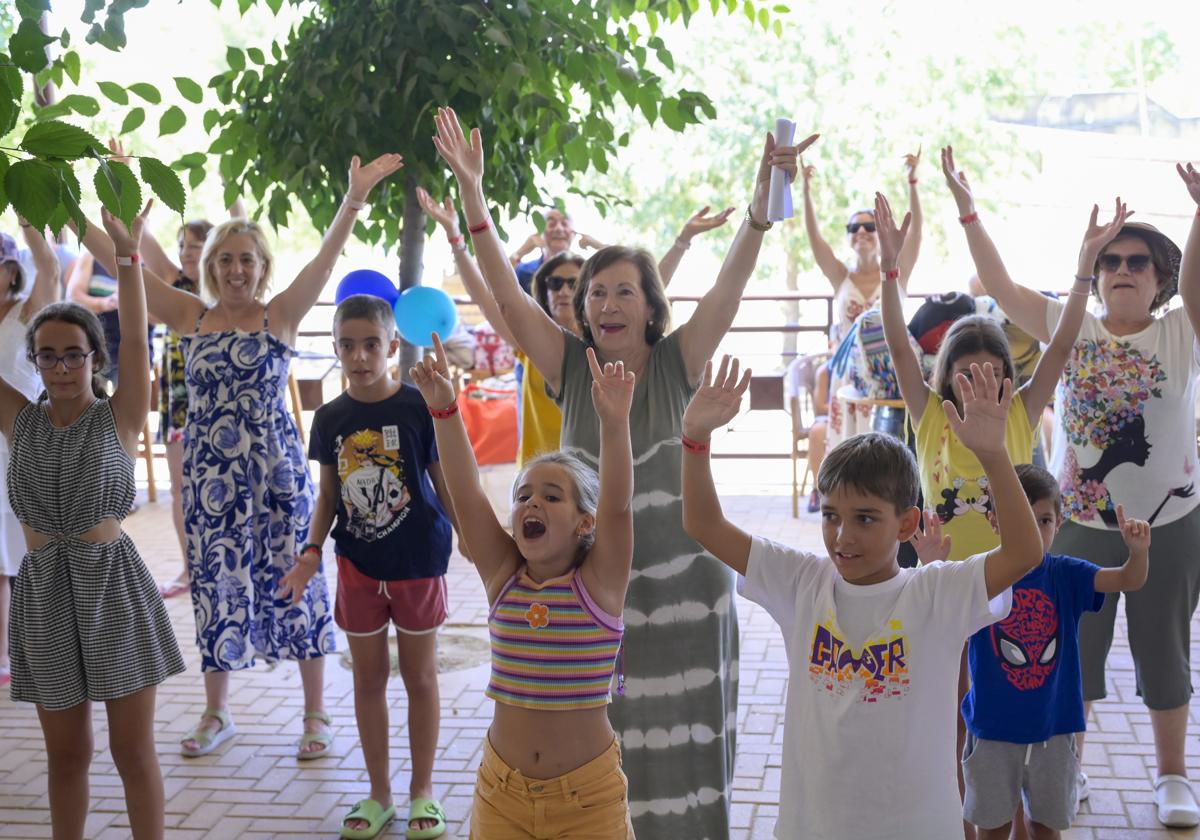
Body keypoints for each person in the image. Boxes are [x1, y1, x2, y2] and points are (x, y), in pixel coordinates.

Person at [432, 103, 815, 836]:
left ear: (650, 309)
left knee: (691, 771)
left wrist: (761, 215)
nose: (604, 301)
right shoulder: (570, 367)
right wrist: (473, 198)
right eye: (594, 292)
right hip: (594, 607)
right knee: (608, 781)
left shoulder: (676, 362)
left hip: (689, 605)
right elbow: (511, 302)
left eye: (623, 291)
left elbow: (730, 291)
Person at [84, 153, 401, 758]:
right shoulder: (189, 314)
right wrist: (68, 204)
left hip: (278, 473)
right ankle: (217, 712)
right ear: (210, 267)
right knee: (214, 583)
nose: (235, 270)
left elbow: (325, 260)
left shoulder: (280, 313)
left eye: (246, 260)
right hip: (210, 478)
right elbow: (119, 261)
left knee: (298, 581)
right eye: (225, 260)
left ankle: (315, 714)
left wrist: (354, 197)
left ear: (261, 268)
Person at [680, 351, 1041, 840]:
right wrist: (695, 439)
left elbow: (1022, 552)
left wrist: (995, 456)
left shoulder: (936, 592)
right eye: (831, 516)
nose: (843, 537)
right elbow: (703, 524)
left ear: (907, 523)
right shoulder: (802, 581)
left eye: (865, 518)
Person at [949, 146, 1200, 828]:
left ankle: (1173, 775)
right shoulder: (1074, 325)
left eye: (1136, 262)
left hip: (1170, 523)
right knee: (1072, 653)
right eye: (1110, 260)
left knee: (1165, 644)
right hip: (1078, 522)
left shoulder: (1182, 331)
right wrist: (967, 208)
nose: (1122, 271)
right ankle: (1071, 768)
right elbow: (999, 286)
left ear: (1161, 278)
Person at [0, 205, 185, 839]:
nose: (59, 367)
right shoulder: (18, 417)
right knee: (66, 754)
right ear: (34, 360)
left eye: (72, 355)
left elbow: (136, 337)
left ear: (92, 360)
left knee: (132, 753)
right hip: (45, 590)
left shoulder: (120, 415)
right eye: (46, 356)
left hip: (112, 586)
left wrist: (129, 255)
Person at [410, 333, 636, 839]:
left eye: (552, 497)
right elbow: (467, 495)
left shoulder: (599, 585)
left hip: (589, 799)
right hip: (501, 794)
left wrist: (615, 423)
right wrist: (445, 411)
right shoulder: (503, 578)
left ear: (584, 523)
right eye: (523, 495)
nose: (531, 504)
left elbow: (619, 507)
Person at [287, 294, 458, 839]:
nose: (359, 356)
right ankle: (379, 793)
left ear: (390, 345)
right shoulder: (330, 418)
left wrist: (473, 537)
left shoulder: (417, 406)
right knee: (367, 680)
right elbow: (329, 494)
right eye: (347, 345)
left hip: (418, 561)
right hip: (358, 565)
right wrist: (310, 552)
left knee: (420, 677)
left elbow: (441, 477)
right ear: (334, 347)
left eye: (370, 344)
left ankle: (422, 795)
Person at [912, 464, 1149, 840]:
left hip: (1053, 731)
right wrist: (933, 567)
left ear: (1059, 523)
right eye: (1021, 518)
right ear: (994, 521)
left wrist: (1137, 554)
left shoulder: (1066, 574)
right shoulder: (980, 575)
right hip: (992, 730)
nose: (1035, 531)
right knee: (992, 828)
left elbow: (1127, 579)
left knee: (1045, 827)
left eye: (1045, 520)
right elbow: (940, 604)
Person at [420, 188, 735, 467]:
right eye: (554, 283)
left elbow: (648, 283)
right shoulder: (532, 345)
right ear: (542, 290)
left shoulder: (611, 342)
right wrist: (457, 237)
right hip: (545, 482)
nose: (563, 291)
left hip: (601, 478)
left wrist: (681, 242)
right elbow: (491, 295)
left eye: (574, 283)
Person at [0, 224, 63, 688]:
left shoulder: (27, 315)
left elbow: (52, 269)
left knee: (26, 557)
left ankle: (33, 654)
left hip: (19, 452)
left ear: (9, 272)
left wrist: (30, 224)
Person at [801, 150, 923, 348]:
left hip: (893, 366)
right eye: (853, 227)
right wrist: (805, 191)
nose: (861, 231)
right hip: (849, 370)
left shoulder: (898, 271)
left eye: (870, 226)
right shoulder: (840, 276)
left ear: (881, 232)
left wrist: (912, 181)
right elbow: (814, 239)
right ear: (848, 236)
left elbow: (915, 231)